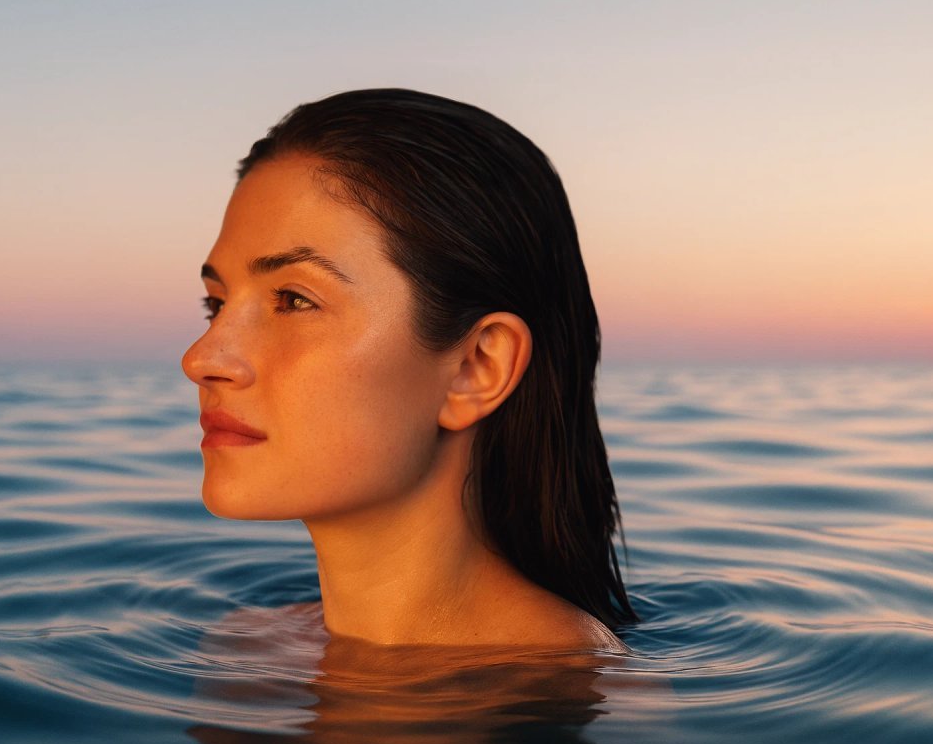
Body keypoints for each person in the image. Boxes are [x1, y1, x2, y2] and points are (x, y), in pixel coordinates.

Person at [181, 88, 635, 650]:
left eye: (294, 300)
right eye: (216, 303)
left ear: (476, 368)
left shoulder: (587, 693)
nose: (201, 359)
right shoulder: (246, 647)